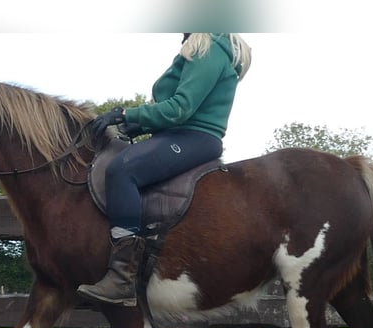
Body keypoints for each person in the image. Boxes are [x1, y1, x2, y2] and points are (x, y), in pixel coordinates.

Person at [76, 33, 252, 307]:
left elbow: (180, 109)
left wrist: (126, 115)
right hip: (177, 135)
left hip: (192, 138)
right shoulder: (204, 46)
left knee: (122, 170)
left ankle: (122, 277)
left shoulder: (207, 48)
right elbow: (175, 111)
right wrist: (135, 125)